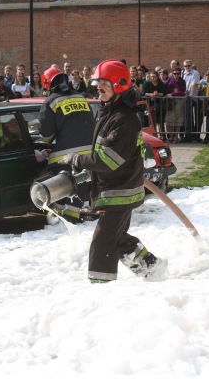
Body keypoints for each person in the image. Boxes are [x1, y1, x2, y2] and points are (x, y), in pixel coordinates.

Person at [59, 59, 167, 282]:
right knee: (116, 240)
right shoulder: (108, 111)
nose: (98, 88)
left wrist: (79, 161)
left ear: (119, 85)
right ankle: (151, 268)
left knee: (102, 244)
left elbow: (108, 160)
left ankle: (101, 289)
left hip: (120, 191)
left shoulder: (123, 119)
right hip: (115, 187)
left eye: (104, 84)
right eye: (97, 83)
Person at [38, 66, 95, 223]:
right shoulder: (80, 97)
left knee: (64, 188)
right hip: (90, 155)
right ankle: (76, 216)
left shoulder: (51, 101)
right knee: (81, 187)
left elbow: (46, 136)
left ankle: (64, 220)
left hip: (66, 158)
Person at [181, 60, 200, 142]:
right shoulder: (182, 73)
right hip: (184, 96)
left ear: (191, 65)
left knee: (190, 115)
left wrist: (191, 93)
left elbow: (194, 84)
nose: (187, 67)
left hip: (191, 96)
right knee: (187, 116)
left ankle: (191, 134)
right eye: (186, 66)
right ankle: (188, 134)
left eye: (189, 65)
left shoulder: (195, 73)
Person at [144, 70, 166, 139]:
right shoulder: (148, 83)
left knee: (160, 121)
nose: (152, 78)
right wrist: (152, 94)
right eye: (151, 77)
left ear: (157, 77)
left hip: (159, 104)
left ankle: (163, 136)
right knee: (152, 120)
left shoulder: (161, 84)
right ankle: (154, 135)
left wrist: (157, 94)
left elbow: (163, 93)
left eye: (154, 76)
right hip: (150, 104)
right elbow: (145, 93)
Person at [165, 69, 186, 143]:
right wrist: (168, 94)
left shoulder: (182, 81)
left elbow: (182, 91)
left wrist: (173, 94)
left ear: (180, 74)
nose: (176, 75)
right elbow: (165, 89)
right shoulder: (169, 80)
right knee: (169, 119)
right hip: (170, 102)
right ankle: (171, 136)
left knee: (178, 120)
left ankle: (176, 136)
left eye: (178, 73)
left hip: (179, 101)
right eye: (174, 73)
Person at [202, 71, 209, 143]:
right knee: (208, 121)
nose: (207, 78)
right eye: (206, 76)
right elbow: (207, 95)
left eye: (208, 76)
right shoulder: (208, 85)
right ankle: (207, 137)